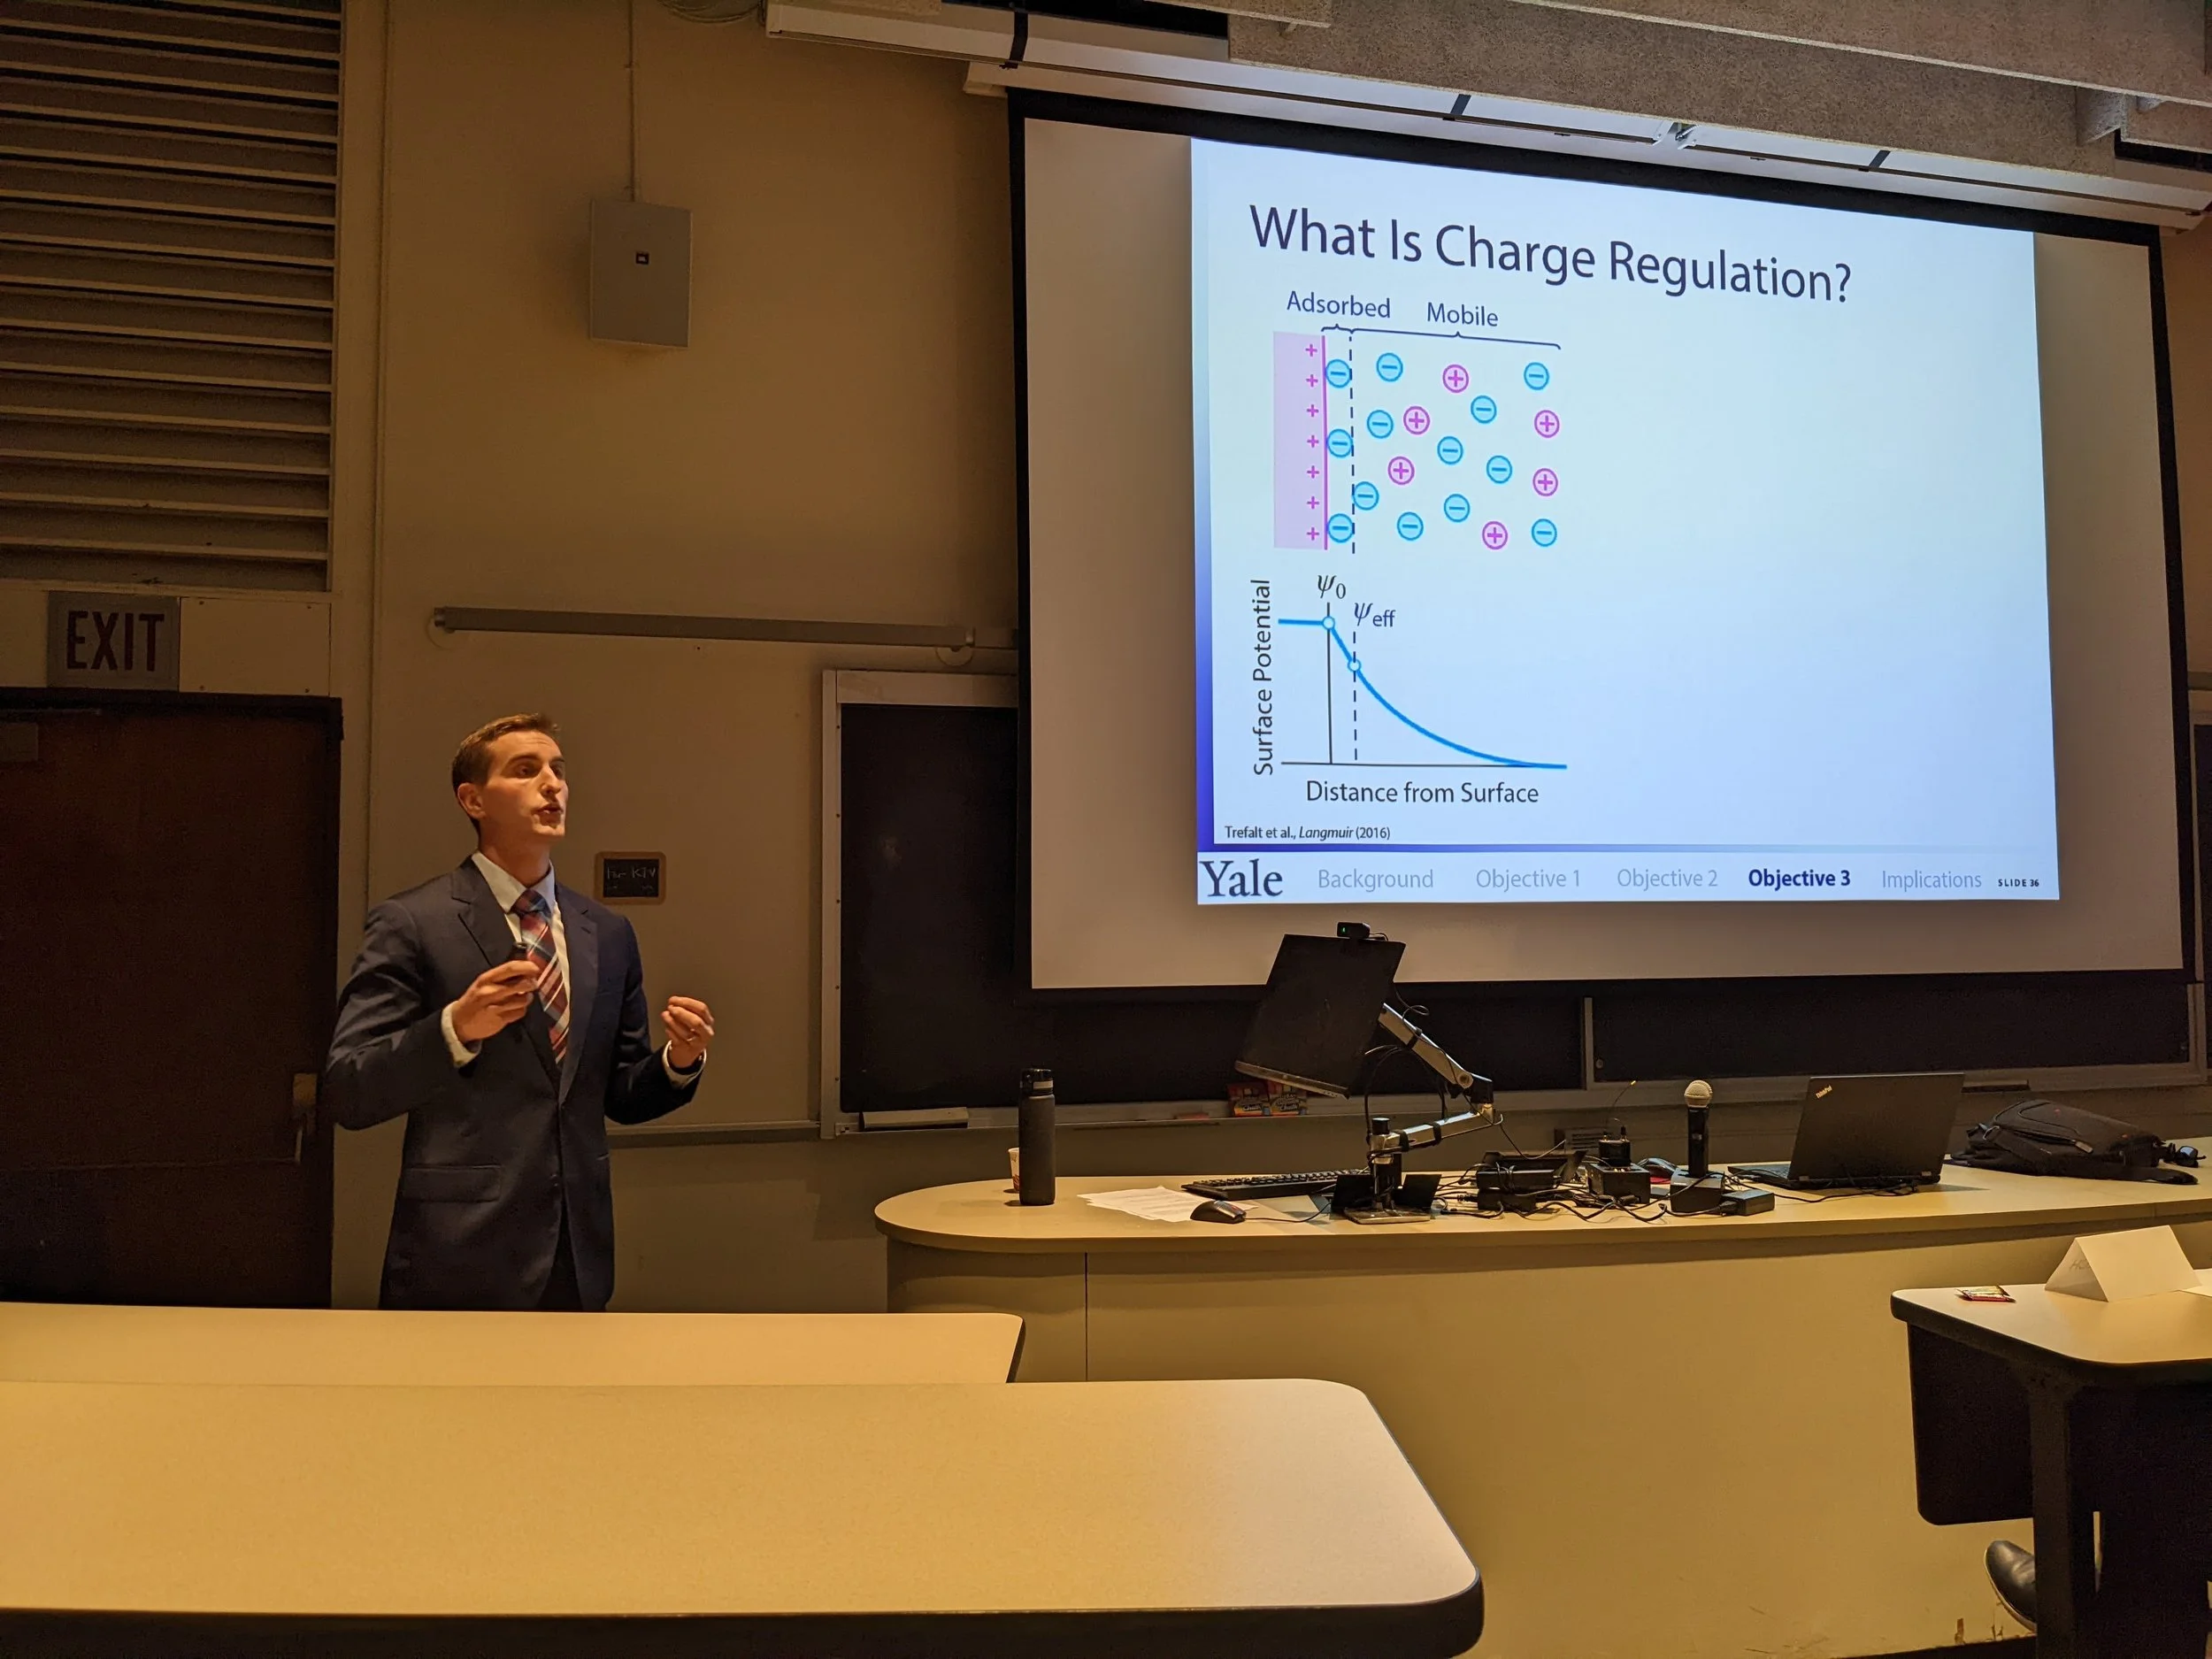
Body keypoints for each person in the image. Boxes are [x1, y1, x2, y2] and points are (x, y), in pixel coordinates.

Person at [325, 714, 712, 1310]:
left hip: (577, 1252)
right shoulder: (414, 922)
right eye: (526, 770)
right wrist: (456, 1029)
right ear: (472, 799)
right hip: (456, 1255)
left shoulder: (605, 934)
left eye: (559, 770)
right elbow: (349, 1088)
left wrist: (678, 1061)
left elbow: (622, 1094)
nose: (552, 785)